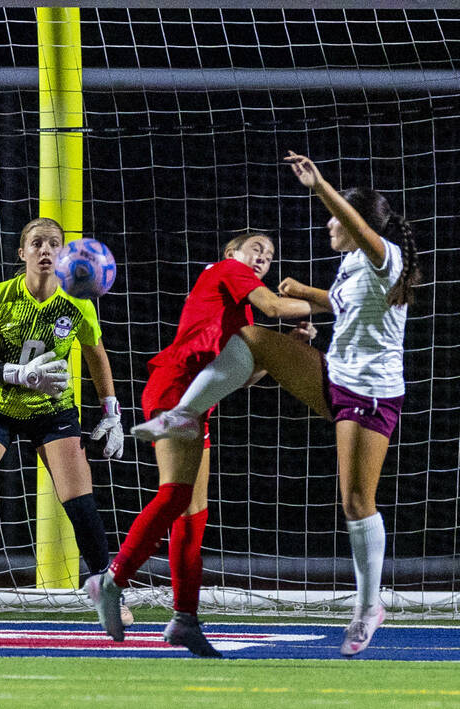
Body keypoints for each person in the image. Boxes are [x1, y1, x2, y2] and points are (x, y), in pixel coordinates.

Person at [113, 152, 421, 657]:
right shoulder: (347, 266)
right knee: (255, 338)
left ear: (353, 218)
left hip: (370, 394)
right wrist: (310, 295)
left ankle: (369, 606)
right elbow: (337, 304)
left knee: (355, 501)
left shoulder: (383, 254)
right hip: (332, 373)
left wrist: (319, 184)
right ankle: (185, 412)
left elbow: (356, 233)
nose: (328, 224)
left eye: (336, 216)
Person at [82, 230, 315, 656]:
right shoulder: (228, 271)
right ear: (232, 253)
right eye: (256, 249)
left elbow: (241, 376)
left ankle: (184, 619)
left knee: (193, 512)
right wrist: (333, 299)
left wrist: (287, 350)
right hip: (174, 388)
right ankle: (110, 580)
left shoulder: (238, 312)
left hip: (197, 401)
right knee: (174, 496)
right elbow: (278, 307)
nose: (263, 256)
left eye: (270, 253)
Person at [0, 217, 129, 628]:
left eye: (53, 244)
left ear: (63, 254)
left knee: (81, 505)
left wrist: (112, 413)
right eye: (37, 243)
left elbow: (96, 355)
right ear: (22, 252)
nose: (45, 250)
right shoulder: (0, 297)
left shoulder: (77, 301)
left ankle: (108, 595)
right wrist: (16, 372)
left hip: (52, 411)